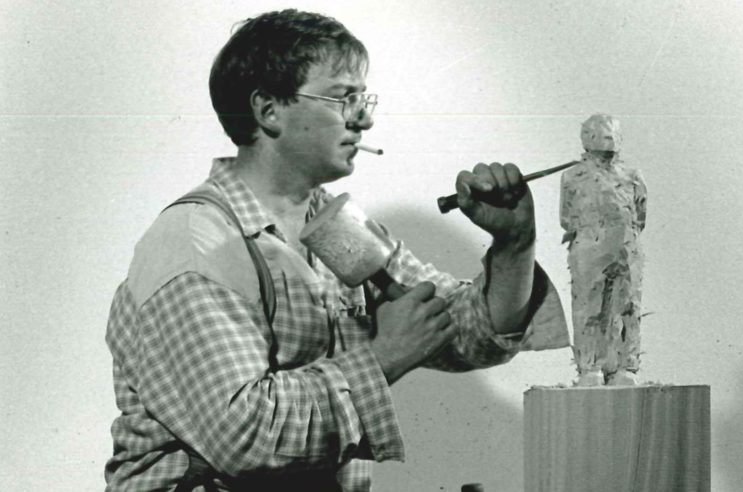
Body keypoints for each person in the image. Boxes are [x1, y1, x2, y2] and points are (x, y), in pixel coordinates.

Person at [105, 9, 569, 491]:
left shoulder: (334, 224)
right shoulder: (198, 241)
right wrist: (383, 357)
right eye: (342, 97)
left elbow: (466, 334)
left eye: (362, 98)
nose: (364, 118)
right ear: (268, 110)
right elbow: (246, 436)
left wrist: (514, 243)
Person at [560, 114, 647, 387]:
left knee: (627, 305)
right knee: (589, 306)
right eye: (601, 134)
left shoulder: (632, 175)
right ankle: (591, 367)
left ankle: (625, 366)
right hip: (588, 246)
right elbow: (566, 217)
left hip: (625, 246)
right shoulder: (572, 176)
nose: (609, 140)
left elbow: (640, 213)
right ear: (587, 139)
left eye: (612, 134)